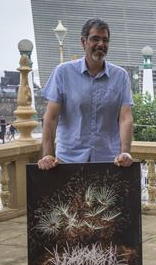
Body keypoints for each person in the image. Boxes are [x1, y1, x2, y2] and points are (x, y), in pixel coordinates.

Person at [37, 18, 134, 170]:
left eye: (105, 40)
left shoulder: (120, 76)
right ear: (83, 42)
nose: (101, 44)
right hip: (68, 160)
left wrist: (125, 153)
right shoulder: (63, 73)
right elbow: (51, 117)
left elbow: (125, 118)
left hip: (108, 160)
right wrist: (48, 155)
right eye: (95, 39)